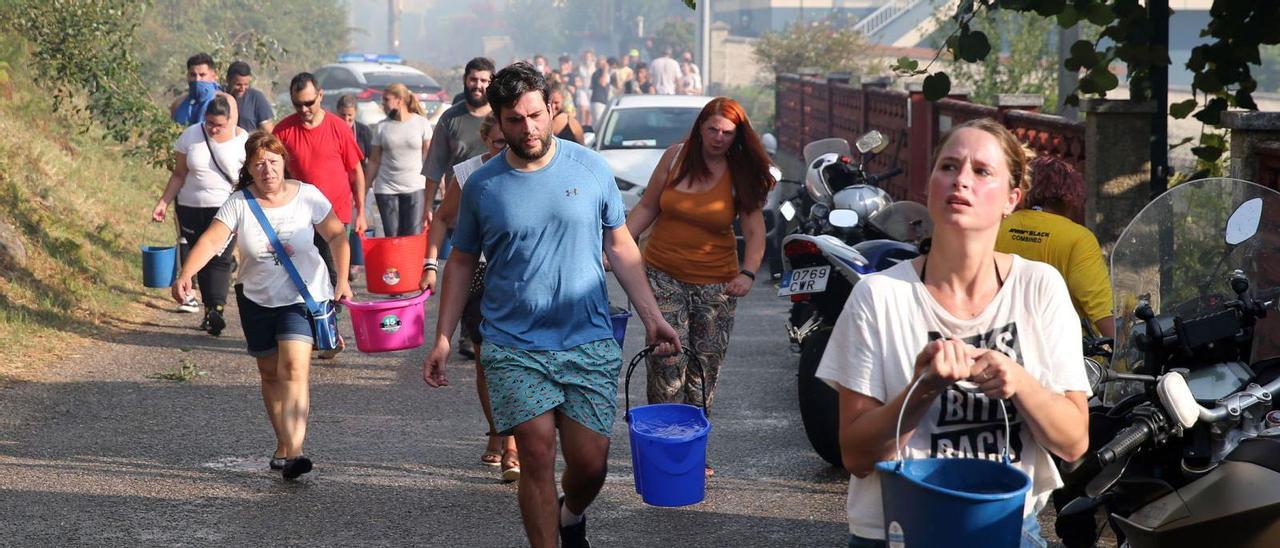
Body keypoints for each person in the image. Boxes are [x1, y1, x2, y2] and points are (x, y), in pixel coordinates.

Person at [422, 62, 680, 548]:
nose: (529, 128)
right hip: (513, 344)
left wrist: (653, 317)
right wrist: (441, 336)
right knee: (536, 456)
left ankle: (572, 513)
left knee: (591, 464)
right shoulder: (483, 184)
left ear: (551, 109)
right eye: (515, 120)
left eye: (536, 115)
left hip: (587, 339)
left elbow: (621, 246)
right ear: (498, 121)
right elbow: (461, 261)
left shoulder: (590, 168)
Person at [815, 118, 1090, 547]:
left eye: (982, 171)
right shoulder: (880, 296)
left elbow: (1073, 442)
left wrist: (1018, 381)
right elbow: (857, 455)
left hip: (1006, 529)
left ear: (1011, 199)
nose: (961, 180)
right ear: (929, 186)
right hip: (898, 531)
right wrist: (923, 388)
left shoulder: (1040, 288)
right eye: (948, 166)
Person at [172, 131, 353, 480]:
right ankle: (284, 443)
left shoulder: (308, 196)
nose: (267, 169)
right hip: (256, 298)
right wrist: (186, 274)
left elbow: (336, 235)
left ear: (283, 161)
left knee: (294, 370)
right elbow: (212, 239)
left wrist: (342, 280)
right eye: (259, 164)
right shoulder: (240, 202)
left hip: (302, 298)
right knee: (270, 374)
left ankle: (295, 453)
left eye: (272, 161)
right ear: (250, 170)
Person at [624, 97, 774, 477]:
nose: (718, 138)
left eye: (727, 132)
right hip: (661, 272)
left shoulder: (741, 171)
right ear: (700, 127)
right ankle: (663, 445)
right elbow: (647, 207)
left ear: (737, 136)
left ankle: (692, 449)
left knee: (702, 369)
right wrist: (618, 246)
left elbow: (755, 232)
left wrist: (749, 273)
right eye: (712, 129)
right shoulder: (676, 157)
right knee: (666, 361)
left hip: (716, 284)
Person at [419, 114, 520, 482]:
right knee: (485, 361)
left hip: (515, 275)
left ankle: (512, 444)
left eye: (509, 143)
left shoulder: (527, 171)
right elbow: (444, 219)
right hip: (477, 272)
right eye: (497, 144)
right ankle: (498, 429)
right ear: (485, 141)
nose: (505, 150)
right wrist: (430, 263)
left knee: (513, 359)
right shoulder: (469, 174)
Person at [273, 73, 367, 357]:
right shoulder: (283, 131)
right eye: (297, 104)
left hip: (336, 216)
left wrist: (361, 211)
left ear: (321, 96)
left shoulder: (338, 128)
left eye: (309, 103)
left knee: (333, 273)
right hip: (298, 216)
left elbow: (355, 172)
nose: (303, 110)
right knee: (302, 274)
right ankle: (305, 331)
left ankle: (329, 332)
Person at [151, 95, 248, 335]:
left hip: (225, 208)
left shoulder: (242, 140)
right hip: (190, 206)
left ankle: (216, 308)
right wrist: (164, 202)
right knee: (199, 257)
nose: (214, 129)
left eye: (219, 125)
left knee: (219, 257)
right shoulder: (191, 135)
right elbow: (179, 174)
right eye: (209, 123)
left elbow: (249, 178)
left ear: (230, 121)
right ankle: (209, 310)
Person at [996, 155, 1114, 339]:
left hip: (1005, 340)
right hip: (1062, 348)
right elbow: (1100, 309)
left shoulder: (999, 225)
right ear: (1071, 194)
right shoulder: (1078, 238)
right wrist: (1128, 357)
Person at [421, 57, 494, 228]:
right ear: (465, 80)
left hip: (493, 210)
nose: (478, 85)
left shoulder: (503, 118)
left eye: (484, 81)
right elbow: (434, 166)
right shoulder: (449, 118)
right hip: (457, 212)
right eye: (473, 79)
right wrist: (427, 206)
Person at [365, 83, 433, 237]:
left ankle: (410, 262)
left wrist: (436, 186)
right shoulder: (382, 127)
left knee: (412, 236)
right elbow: (374, 160)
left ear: (399, 100)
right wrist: (363, 190)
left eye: (386, 100)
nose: (383, 104)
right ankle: (393, 262)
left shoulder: (421, 123)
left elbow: (429, 158)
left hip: (414, 187)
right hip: (387, 189)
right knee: (393, 238)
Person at [170, 53, 237, 127]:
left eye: (202, 75)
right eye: (193, 75)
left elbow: (230, 133)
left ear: (213, 76)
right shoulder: (179, 103)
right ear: (188, 76)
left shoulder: (227, 101)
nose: (197, 79)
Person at [226, 61, 274, 133]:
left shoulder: (257, 98)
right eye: (238, 84)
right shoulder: (219, 96)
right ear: (228, 80)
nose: (242, 89)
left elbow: (268, 131)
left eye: (246, 84)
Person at [336, 94, 374, 165]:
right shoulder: (330, 130)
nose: (346, 119)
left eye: (350, 115)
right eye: (343, 115)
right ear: (337, 112)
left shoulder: (364, 131)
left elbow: (373, 158)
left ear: (355, 113)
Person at [589, 57, 611, 130]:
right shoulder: (597, 73)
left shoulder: (605, 73)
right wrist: (605, 70)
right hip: (598, 101)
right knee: (599, 123)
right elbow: (603, 83)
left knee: (603, 122)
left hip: (603, 101)